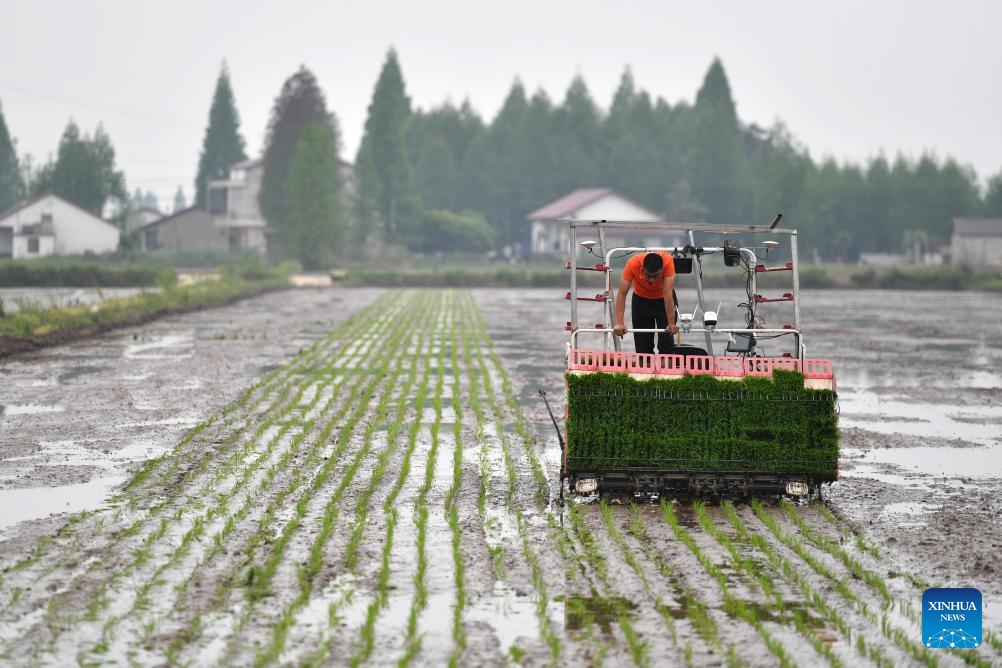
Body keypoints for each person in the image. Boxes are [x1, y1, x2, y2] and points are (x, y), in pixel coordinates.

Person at [613, 251, 678, 354]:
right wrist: (619, 323)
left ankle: (667, 367)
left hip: (664, 299)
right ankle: (645, 368)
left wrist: (671, 323)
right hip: (641, 300)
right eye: (648, 275)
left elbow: (668, 295)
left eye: (656, 276)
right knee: (643, 345)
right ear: (642, 269)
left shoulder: (668, 261)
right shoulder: (632, 264)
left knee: (666, 343)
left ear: (662, 271)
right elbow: (622, 294)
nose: (652, 280)